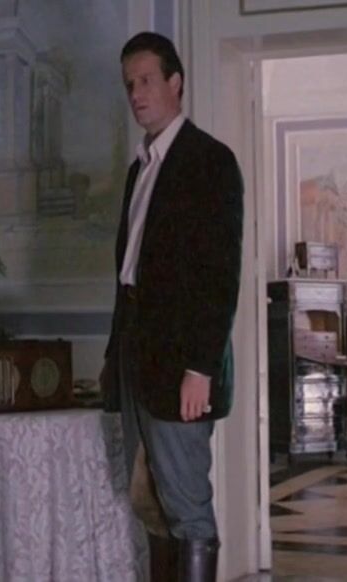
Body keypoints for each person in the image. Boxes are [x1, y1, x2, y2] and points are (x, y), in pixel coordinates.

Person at [100, 31, 244, 582]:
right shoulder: (140, 168)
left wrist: (200, 368)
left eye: (146, 81)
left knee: (186, 506)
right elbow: (129, 275)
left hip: (182, 364)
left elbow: (219, 276)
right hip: (135, 357)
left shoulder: (210, 161)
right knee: (147, 500)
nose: (136, 94)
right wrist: (114, 360)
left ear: (175, 83)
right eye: (128, 84)